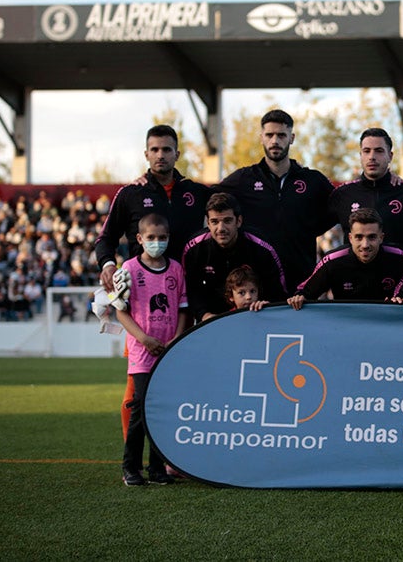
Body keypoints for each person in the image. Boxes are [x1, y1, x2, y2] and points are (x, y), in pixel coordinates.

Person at [93, 124, 209, 446]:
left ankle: (172, 456)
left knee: (179, 383)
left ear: (177, 154)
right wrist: (108, 264)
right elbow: (105, 239)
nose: (161, 155)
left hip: (184, 301)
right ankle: (133, 456)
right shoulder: (131, 193)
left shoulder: (197, 193)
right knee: (136, 388)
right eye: (155, 150)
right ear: (146, 154)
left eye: (167, 149)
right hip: (142, 305)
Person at [215, 109, 335, 287]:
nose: (275, 141)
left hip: (302, 283)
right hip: (257, 286)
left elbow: (344, 202)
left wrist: (310, 227)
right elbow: (206, 197)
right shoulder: (244, 179)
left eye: (281, 135)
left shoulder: (312, 180)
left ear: (291, 138)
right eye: (269, 135)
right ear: (261, 137)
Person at [112, 213, 188, 487]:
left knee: (163, 411)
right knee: (142, 411)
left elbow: (182, 309)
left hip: (168, 351)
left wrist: (176, 339)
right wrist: (144, 339)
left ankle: (157, 469)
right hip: (143, 353)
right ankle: (130, 467)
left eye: (162, 238)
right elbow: (120, 313)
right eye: (152, 238)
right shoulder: (129, 269)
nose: (157, 242)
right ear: (140, 239)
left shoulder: (176, 270)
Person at [181, 193, 287, 322]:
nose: (221, 228)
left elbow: (278, 290)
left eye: (227, 221)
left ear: (239, 221)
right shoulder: (195, 248)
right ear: (208, 223)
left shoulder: (261, 248)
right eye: (215, 222)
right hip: (212, 320)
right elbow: (191, 290)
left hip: (256, 316)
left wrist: (267, 306)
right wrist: (204, 315)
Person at [327, 128, 403, 256]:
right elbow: (311, 226)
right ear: (360, 155)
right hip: (354, 274)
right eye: (366, 151)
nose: (372, 157)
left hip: (397, 273)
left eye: (379, 151)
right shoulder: (343, 194)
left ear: (390, 156)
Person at [288, 208, 403, 309]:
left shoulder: (401, 259)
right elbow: (305, 293)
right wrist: (299, 297)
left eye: (372, 237)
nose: (365, 245)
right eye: (359, 237)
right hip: (345, 327)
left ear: (381, 237)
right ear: (350, 238)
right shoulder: (332, 261)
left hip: (386, 326)